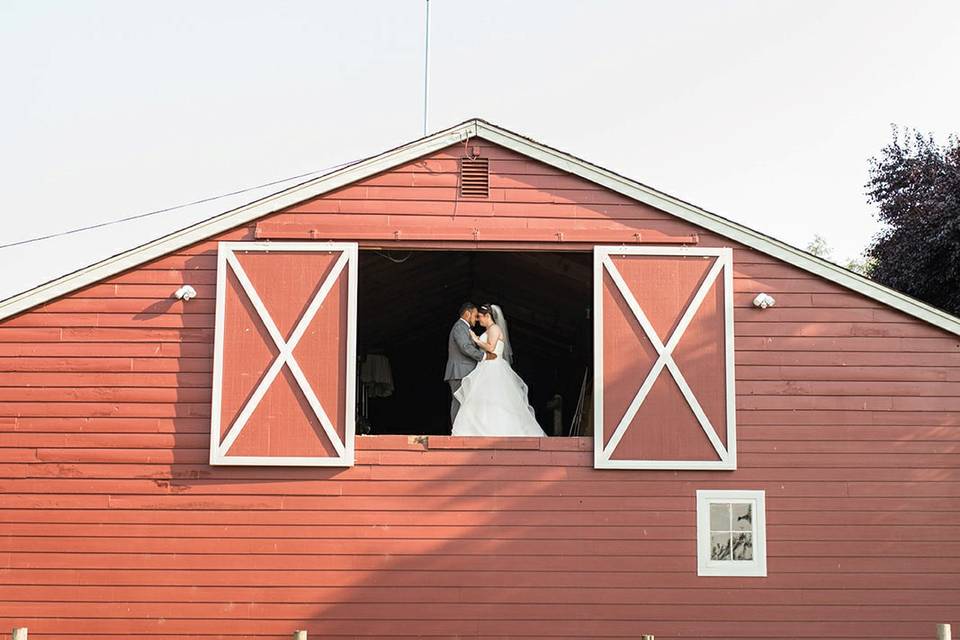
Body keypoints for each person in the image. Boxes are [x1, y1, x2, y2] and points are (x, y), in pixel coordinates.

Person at [452, 303, 547, 437]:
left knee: (496, 398)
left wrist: (476, 340)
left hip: (494, 367)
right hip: (486, 366)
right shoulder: (488, 331)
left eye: (480, 317)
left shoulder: (495, 328)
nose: (479, 320)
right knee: (483, 399)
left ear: (488, 316)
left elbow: (491, 348)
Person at [443, 302, 496, 426]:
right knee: (459, 401)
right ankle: (456, 432)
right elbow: (465, 347)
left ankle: (465, 430)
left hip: (463, 371)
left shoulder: (465, 328)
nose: (476, 319)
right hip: (459, 371)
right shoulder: (459, 327)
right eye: (475, 315)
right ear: (467, 313)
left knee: (466, 402)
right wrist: (484, 356)